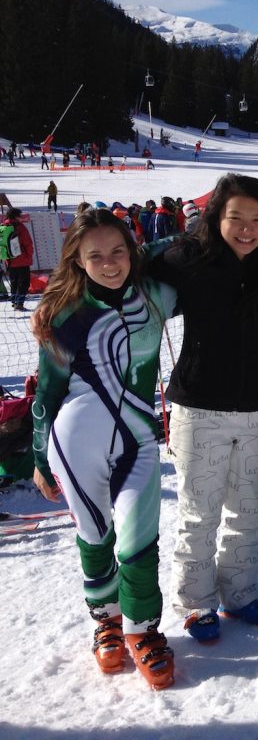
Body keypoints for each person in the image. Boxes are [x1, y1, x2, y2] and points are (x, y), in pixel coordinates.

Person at [31, 208, 178, 689]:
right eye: (96, 255)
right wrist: (37, 460)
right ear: (77, 259)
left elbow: (185, 249)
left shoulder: (155, 295)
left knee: (139, 540)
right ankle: (106, 622)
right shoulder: (64, 315)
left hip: (139, 440)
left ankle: (142, 628)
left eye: (118, 251)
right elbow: (46, 395)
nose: (110, 263)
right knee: (96, 539)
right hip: (76, 445)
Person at [145, 174, 258, 643]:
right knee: (199, 513)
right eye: (235, 218)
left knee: (246, 510)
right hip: (198, 407)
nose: (247, 228)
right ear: (215, 219)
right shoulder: (189, 260)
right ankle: (196, 602)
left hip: (256, 407)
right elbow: (133, 260)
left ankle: (242, 594)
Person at [0, 208, 33, 311]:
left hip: (9, 260)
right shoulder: (20, 227)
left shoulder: (3, 227)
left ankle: (14, 301)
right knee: (24, 282)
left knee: (14, 282)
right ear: (16, 216)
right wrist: (29, 256)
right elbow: (27, 243)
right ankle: (20, 303)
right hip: (22, 259)